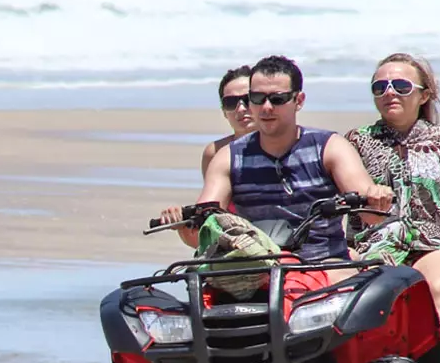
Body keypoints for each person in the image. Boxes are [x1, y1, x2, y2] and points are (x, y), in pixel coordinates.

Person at [162, 55, 392, 270]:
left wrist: (377, 199)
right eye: (257, 98)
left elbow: (370, 215)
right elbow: (203, 232)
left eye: (277, 99)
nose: (266, 107)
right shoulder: (228, 157)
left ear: (298, 100)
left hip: (323, 265)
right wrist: (184, 226)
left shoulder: (331, 146)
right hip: (254, 270)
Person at [345, 53, 440, 363]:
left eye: (401, 85)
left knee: (435, 287)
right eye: (380, 87)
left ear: (423, 94)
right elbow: (347, 211)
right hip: (377, 246)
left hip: (436, 244)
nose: (389, 92)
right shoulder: (357, 141)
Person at [199, 65, 255, 175]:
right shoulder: (215, 152)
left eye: (248, 99)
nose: (241, 109)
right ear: (224, 112)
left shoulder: (288, 146)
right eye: (231, 103)